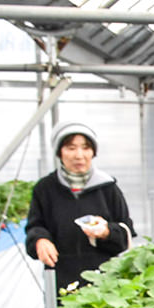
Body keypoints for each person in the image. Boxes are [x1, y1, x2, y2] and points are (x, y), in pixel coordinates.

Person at [25, 121, 134, 293]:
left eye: (86, 148)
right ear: (59, 152)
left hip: (105, 282)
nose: (79, 155)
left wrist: (106, 232)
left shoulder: (107, 187)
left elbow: (126, 232)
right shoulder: (45, 189)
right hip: (62, 281)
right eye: (70, 148)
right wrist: (40, 240)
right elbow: (35, 226)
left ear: (93, 152)